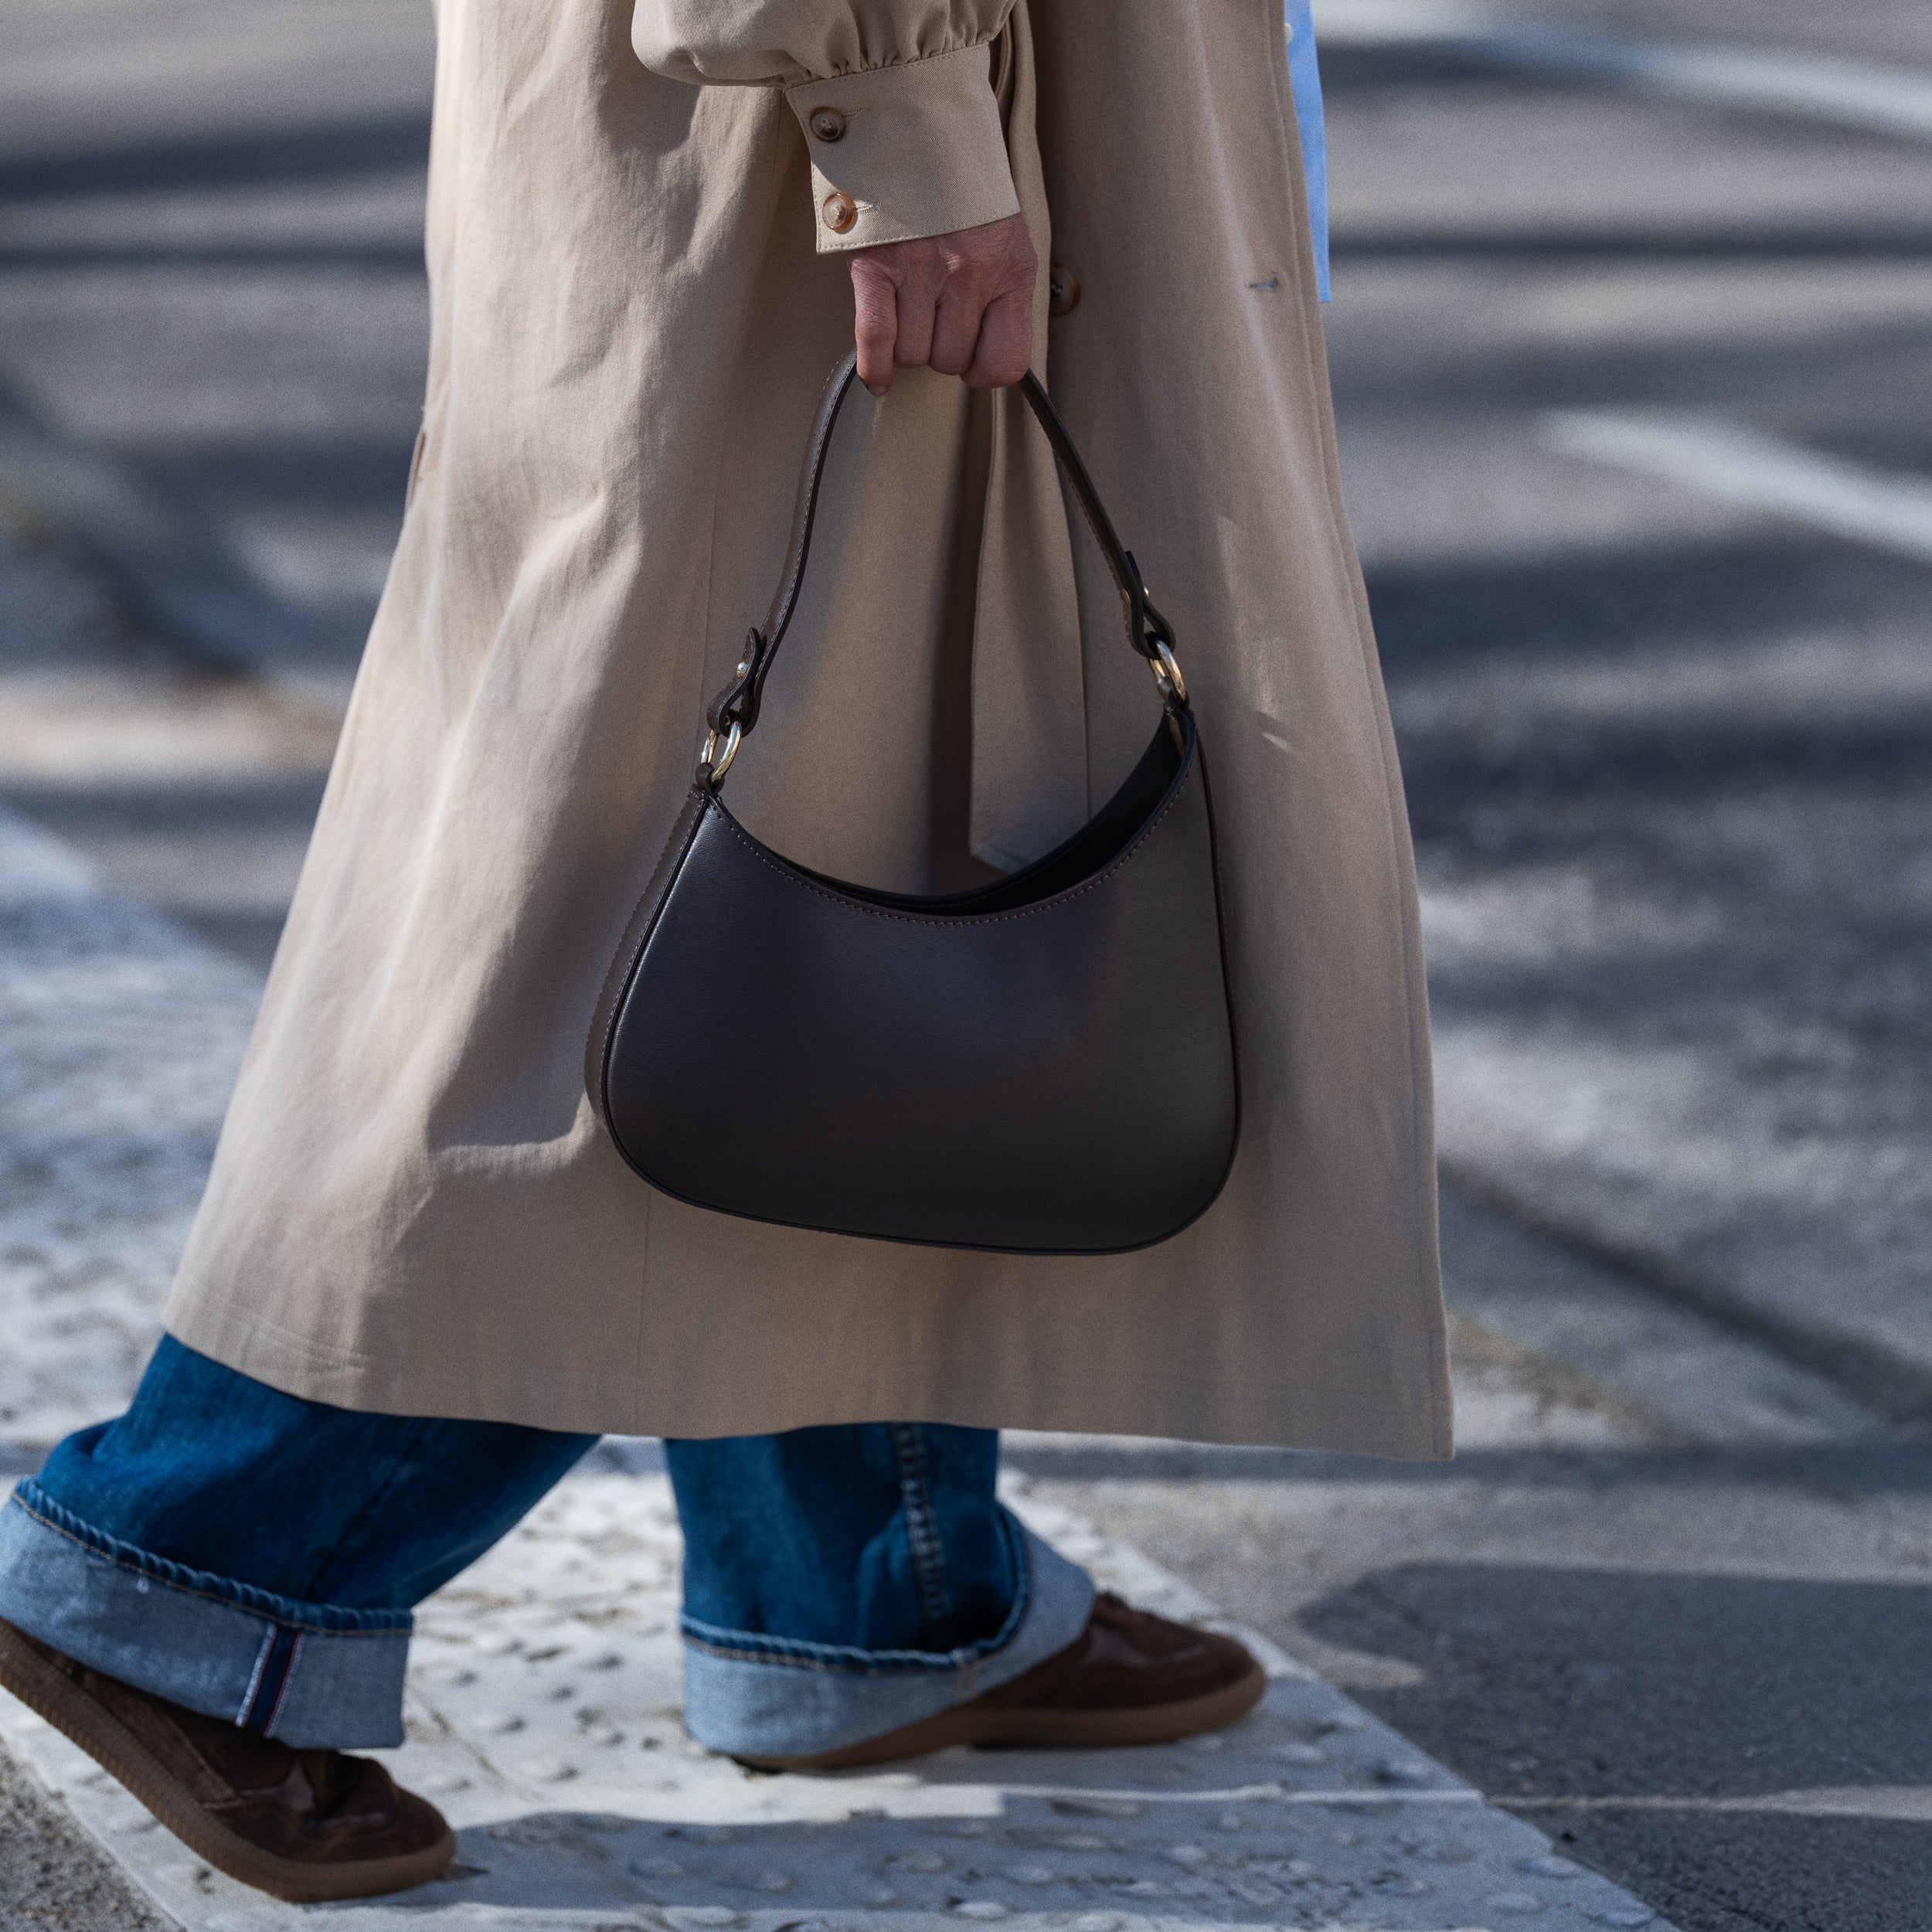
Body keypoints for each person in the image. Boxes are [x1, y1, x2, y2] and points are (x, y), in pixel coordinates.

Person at [0, 0, 1450, 1904]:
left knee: (878, 846)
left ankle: (867, 1584)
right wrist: (900, 110)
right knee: (633, 959)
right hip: (802, 166)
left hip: (860, 135)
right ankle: (191, 1563)